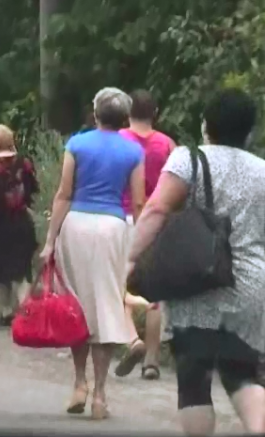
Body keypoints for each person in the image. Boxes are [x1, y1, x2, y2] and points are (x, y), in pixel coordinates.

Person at [129, 88, 265, 435]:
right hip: (250, 285)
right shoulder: (262, 171)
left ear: (206, 125)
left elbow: (157, 209)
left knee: (194, 378)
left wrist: (129, 259)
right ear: (250, 132)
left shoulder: (187, 160)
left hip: (196, 279)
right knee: (242, 373)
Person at [39, 87, 145, 420]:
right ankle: (100, 394)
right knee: (107, 306)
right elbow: (138, 202)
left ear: (95, 113)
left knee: (79, 305)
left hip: (77, 225)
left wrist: (50, 240)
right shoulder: (133, 151)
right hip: (113, 227)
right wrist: (142, 244)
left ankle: (78, 383)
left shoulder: (77, 144)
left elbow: (63, 194)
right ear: (125, 118)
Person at [115, 89, 176, 381]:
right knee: (156, 292)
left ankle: (131, 339)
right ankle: (151, 360)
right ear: (156, 113)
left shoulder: (118, 141)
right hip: (156, 221)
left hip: (120, 216)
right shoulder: (167, 145)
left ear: (128, 112)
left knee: (116, 284)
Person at [0, 124, 38, 326]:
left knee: (1, 270)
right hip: (23, 220)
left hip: (0, 224)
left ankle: (6, 311)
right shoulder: (24, 163)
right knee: (23, 270)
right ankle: (26, 311)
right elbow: (33, 189)